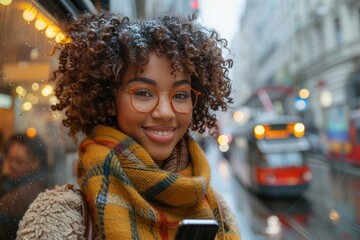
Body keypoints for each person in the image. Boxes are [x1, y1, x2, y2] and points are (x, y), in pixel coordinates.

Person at [17, 11, 241, 239]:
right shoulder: (60, 217)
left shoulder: (218, 209)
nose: (165, 112)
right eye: (143, 93)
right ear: (110, 100)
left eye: (181, 95)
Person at [0, 133, 48, 240]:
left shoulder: (17, 197)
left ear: (36, 163)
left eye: (18, 161)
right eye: (9, 159)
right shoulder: (10, 184)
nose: (11, 166)